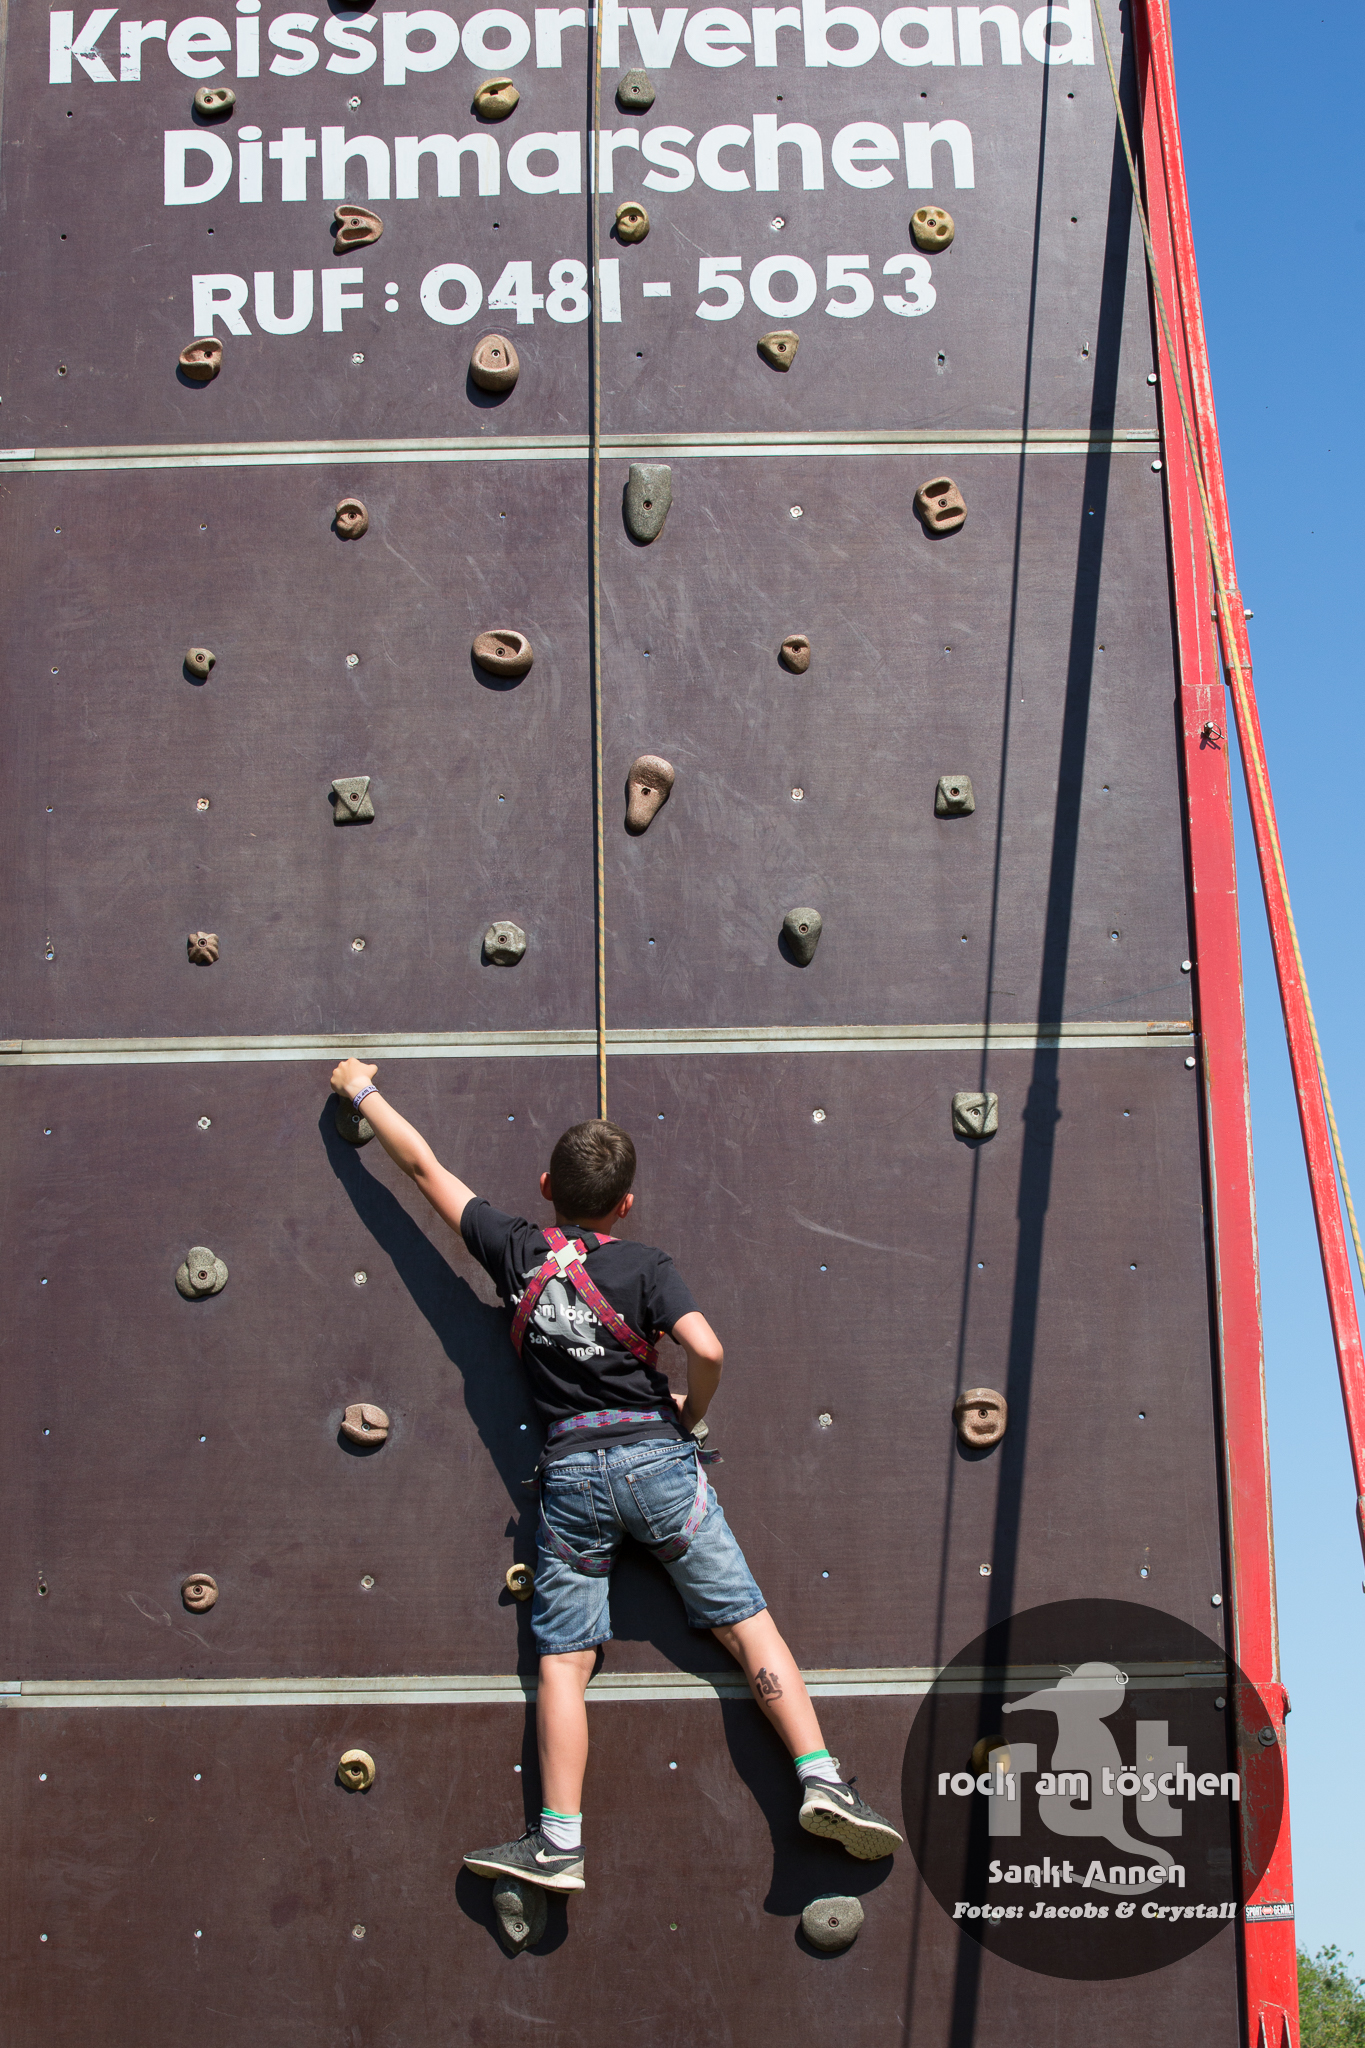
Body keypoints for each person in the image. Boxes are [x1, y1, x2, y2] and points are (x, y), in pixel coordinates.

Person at [329, 1059, 904, 1895]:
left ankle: (559, 1843)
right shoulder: (646, 1267)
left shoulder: (515, 1249)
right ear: (624, 1205)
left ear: (544, 1187)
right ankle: (820, 1779)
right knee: (745, 1627)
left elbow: (423, 1168)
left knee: (565, 1664)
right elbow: (706, 1348)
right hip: (658, 1464)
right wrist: (690, 1409)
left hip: (571, 1476)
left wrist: (361, 1088)